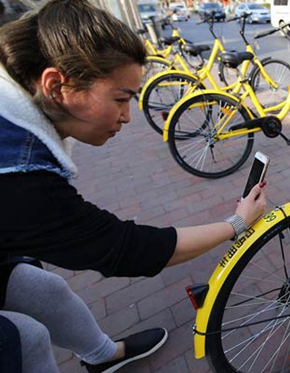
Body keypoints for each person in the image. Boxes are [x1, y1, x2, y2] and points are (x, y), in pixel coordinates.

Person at [0, 1, 267, 372]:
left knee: (44, 288)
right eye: (120, 99)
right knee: (25, 339)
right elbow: (123, 249)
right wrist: (237, 224)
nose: (127, 116)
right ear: (56, 86)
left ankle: (103, 356)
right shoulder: (18, 177)